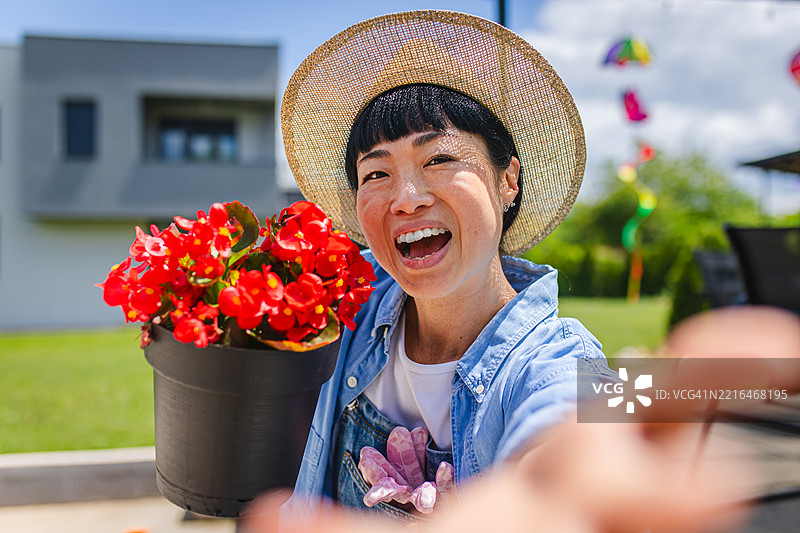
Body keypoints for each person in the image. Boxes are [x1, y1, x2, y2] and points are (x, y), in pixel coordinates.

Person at [279, 10, 617, 520]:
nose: (406, 199)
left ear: (508, 182)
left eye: (438, 160)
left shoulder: (561, 357)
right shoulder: (342, 302)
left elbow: (566, 438)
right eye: (376, 174)